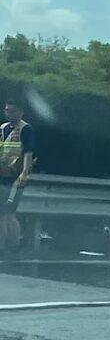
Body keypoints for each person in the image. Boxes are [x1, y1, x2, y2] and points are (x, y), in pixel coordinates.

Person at [0, 101, 35, 259]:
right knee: (8, 214)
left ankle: (4, 247)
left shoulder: (25, 129)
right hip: (3, 174)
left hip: (15, 177)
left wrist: (24, 174)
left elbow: (28, 153)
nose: (9, 114)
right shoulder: (3, 128)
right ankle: (13, 246)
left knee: (5, 213)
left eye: (13, 111)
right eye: (7, 111)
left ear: (20, 112)